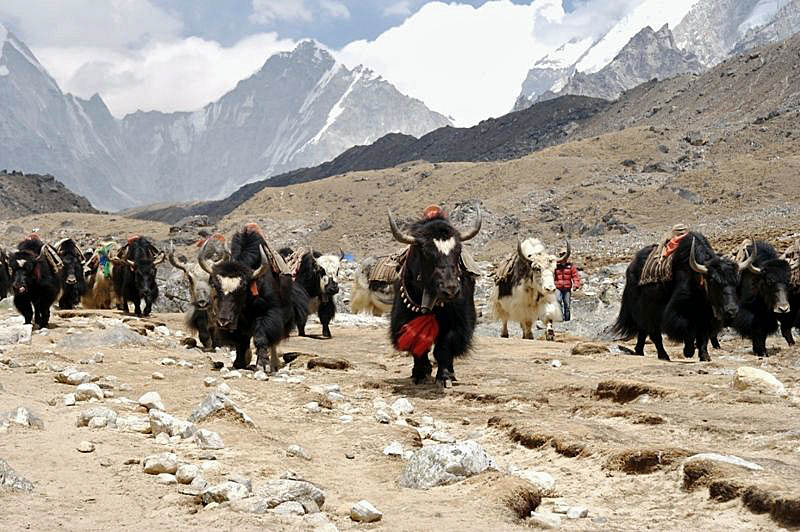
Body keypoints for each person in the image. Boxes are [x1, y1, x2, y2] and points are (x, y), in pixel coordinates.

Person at [554, 248, 581, 321]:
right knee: (558, 300)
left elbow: (575, 276)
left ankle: (567, 320)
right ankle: (560, 318)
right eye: (562, 254)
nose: (564, 256)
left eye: (565, 254)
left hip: (567, 288)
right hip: (558, 287)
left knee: (567, 305)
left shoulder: (570, 266)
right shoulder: (555, 266)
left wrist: (576, 285)